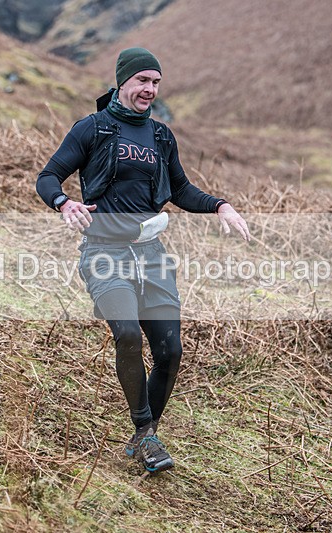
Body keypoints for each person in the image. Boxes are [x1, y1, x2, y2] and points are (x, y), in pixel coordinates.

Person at [36, 47, 250, 473]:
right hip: (104, 254)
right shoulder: (93, 129)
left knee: (170, 352)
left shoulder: (162, 137)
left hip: (152, 257)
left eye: (156, 82)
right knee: (128, 335)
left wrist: (221, 206)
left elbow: (181, 190)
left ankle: (141, 436)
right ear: (123, 82)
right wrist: (64, 203)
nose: (150, 89)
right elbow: (47, 177)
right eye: (142, 80)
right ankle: (147, 432)